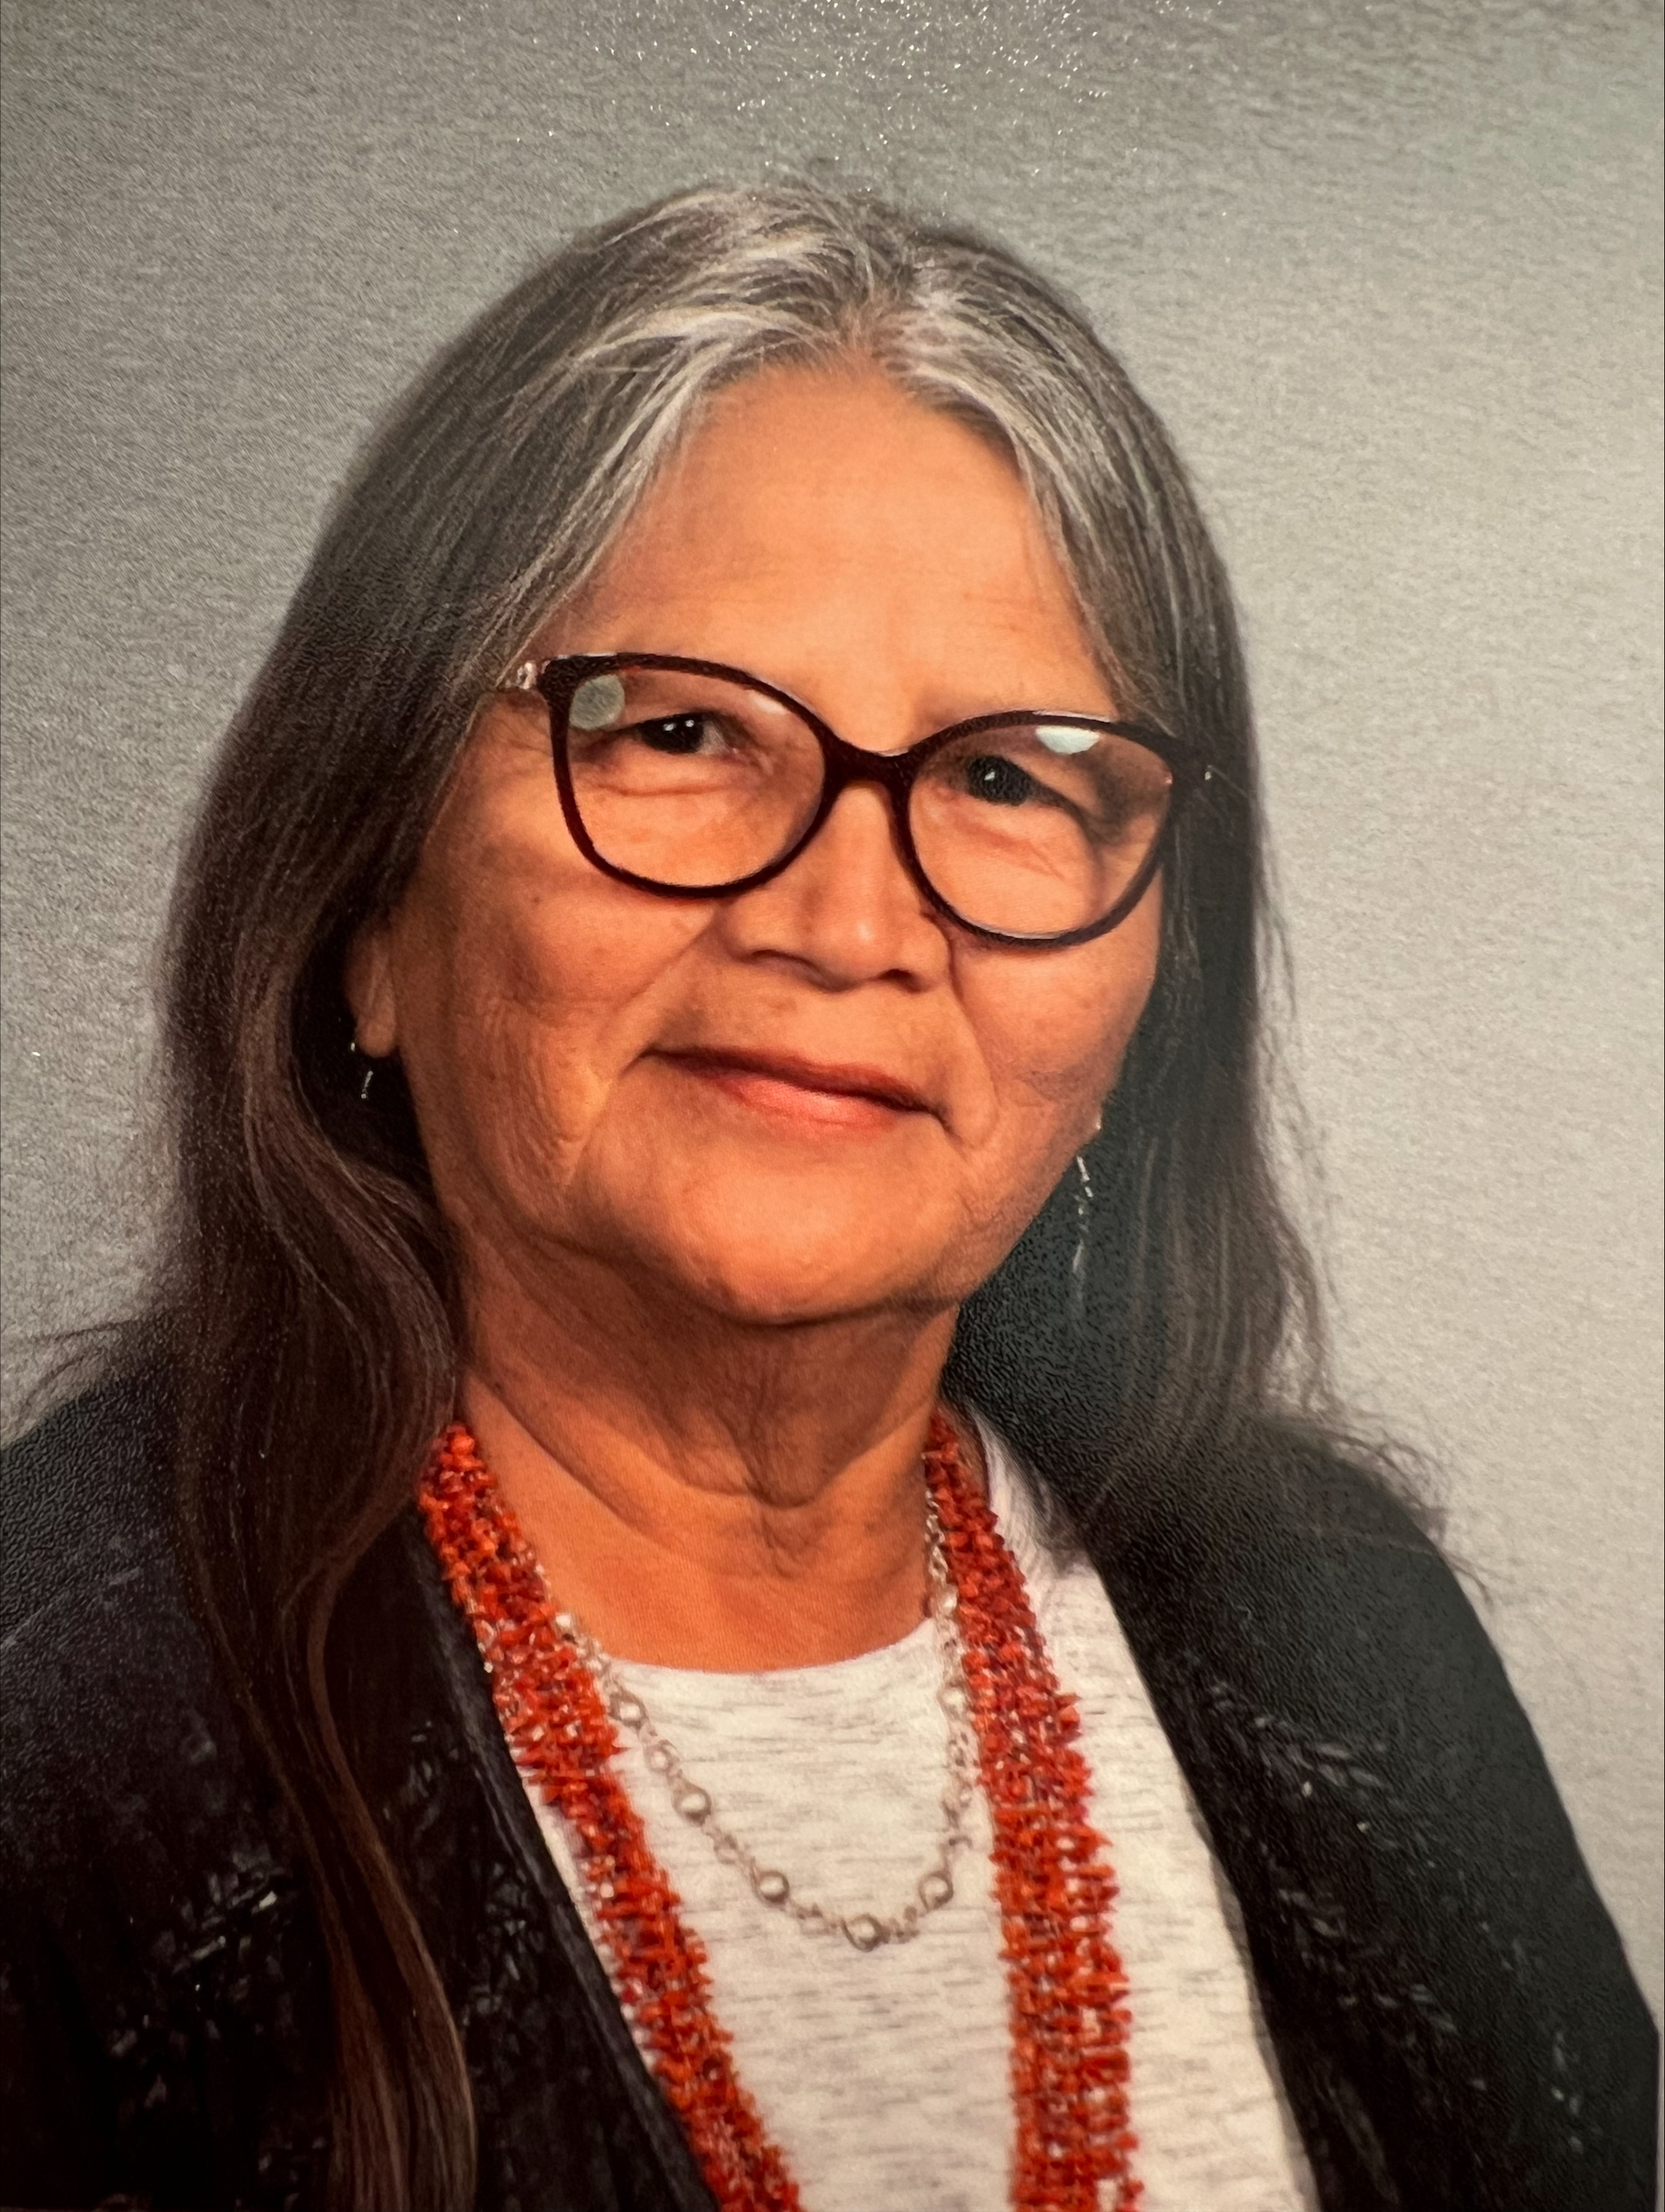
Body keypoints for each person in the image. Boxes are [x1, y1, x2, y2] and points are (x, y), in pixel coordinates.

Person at [0, 181, 1654, 2212]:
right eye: (680, 729)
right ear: (364, 905)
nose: (844, 918)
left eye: (1004, 779)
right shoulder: (48, 1729)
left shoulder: (1332, 1625)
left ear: (1146, 987)